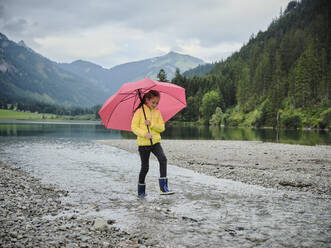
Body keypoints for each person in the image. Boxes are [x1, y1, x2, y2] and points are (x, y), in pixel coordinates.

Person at [131, 90, 174, 197]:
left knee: (163, 159)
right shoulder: (139, 112)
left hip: (155, 143)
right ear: (147, 100)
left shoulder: (157, 112)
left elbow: (162, 128)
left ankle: (163, 188)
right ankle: (140, 191)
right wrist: (144, 134)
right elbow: (134, 127)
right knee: (145, 167)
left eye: (157, 103)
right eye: (153, 102)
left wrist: (152, 124)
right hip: (143, 144)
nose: (155, 105)